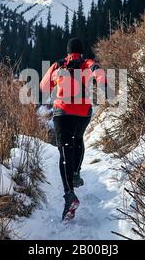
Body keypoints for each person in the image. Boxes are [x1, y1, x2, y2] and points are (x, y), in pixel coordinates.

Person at [40, 38, 108, 222]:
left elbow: (43, 87)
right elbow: (99, 72)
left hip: (63, 113)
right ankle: (76, 173)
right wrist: (104, 86)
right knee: (78, 139)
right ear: (81, 50)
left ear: (68, 51)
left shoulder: (59, 65)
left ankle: (69, 194)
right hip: (83, 112)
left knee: (64, 150)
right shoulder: (87, 63)